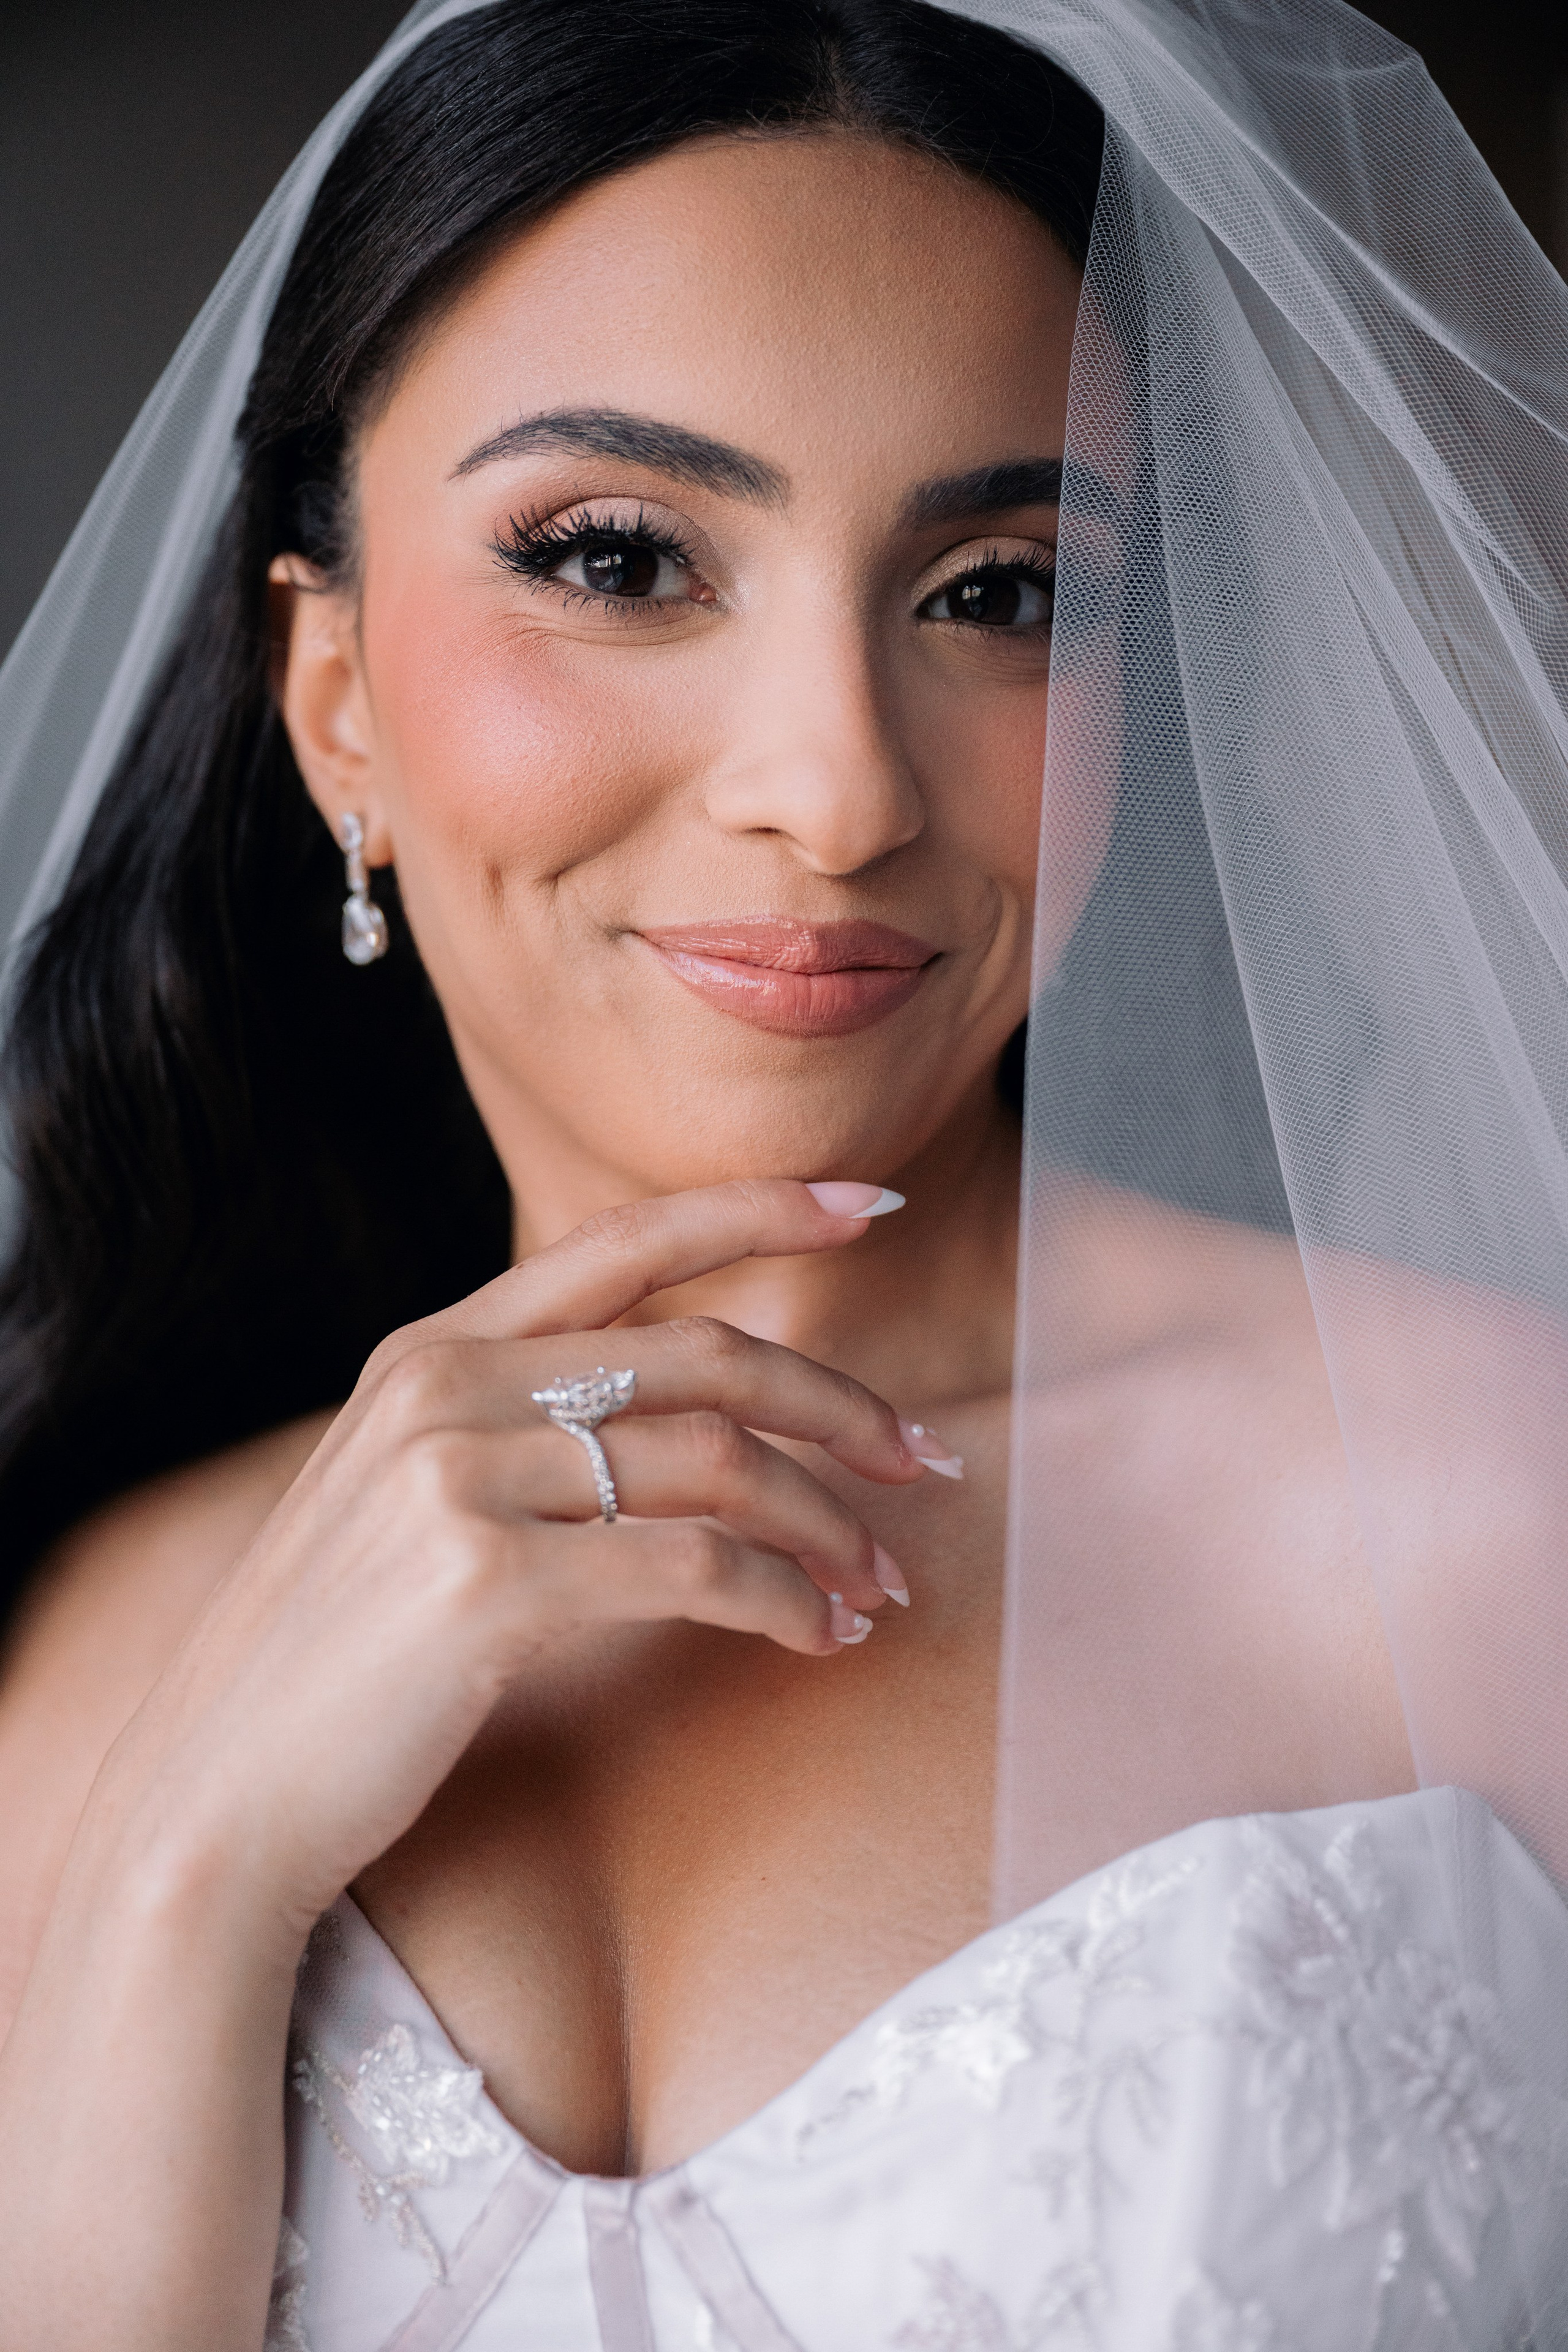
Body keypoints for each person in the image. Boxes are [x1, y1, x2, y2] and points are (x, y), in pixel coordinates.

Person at [2, 0, 1567, 2345]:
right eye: (621, 558)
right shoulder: (96, 1648)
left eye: (1001, 591)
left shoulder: (1494, 1516)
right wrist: (188, 1873)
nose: (837, 792)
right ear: (333, 700)